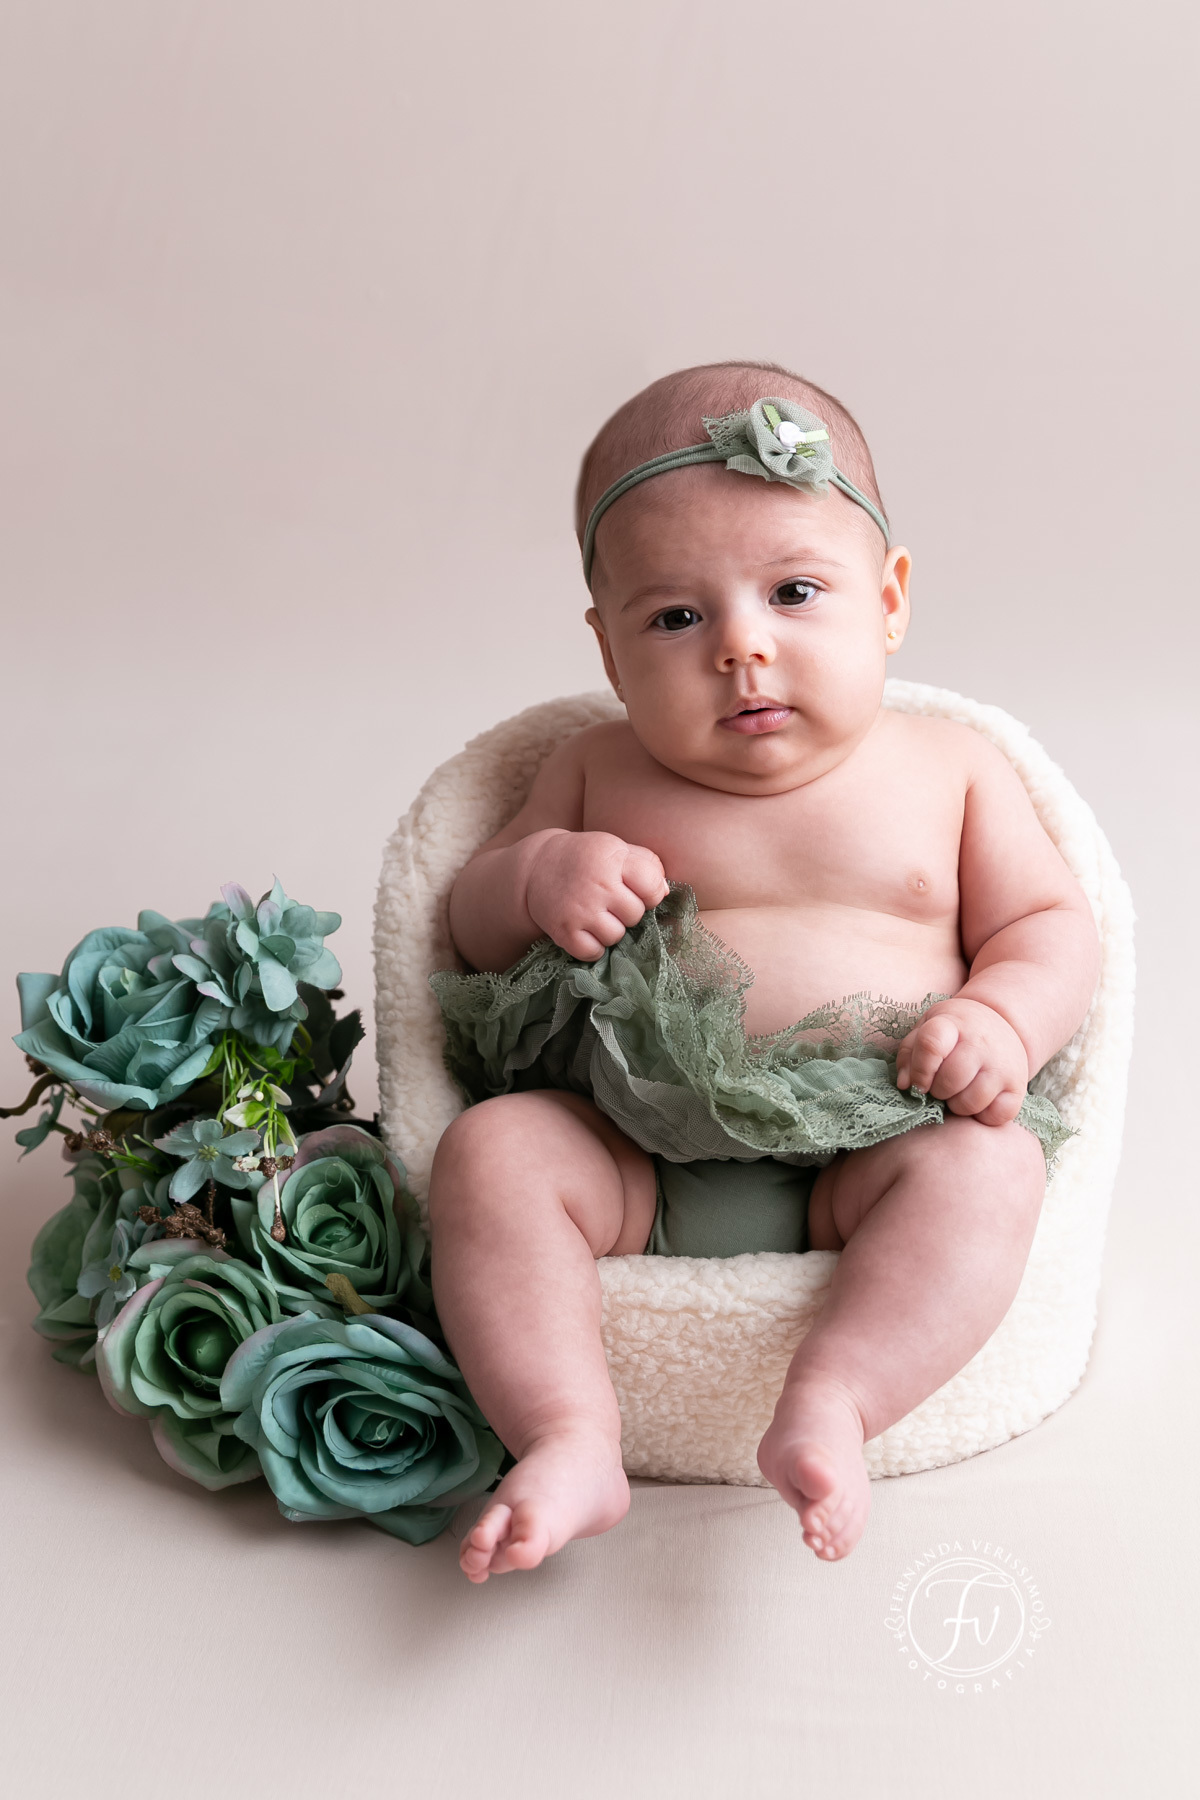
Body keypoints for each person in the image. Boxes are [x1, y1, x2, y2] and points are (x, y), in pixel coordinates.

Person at [427, 361, 1099, 1582]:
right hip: (632, 1156)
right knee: (493, 1152)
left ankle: (835, 1399)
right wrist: (535, 881)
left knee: (990, 1168)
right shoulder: (591, 768)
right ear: (609, 650)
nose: (742, 646)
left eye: (794, 592)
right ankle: (568, 1433)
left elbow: (1054, 925)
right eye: (675, 619)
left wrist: (1001, 1019)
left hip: (876, 1146)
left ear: (887, 601)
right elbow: (466, 929)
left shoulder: (953, 768)